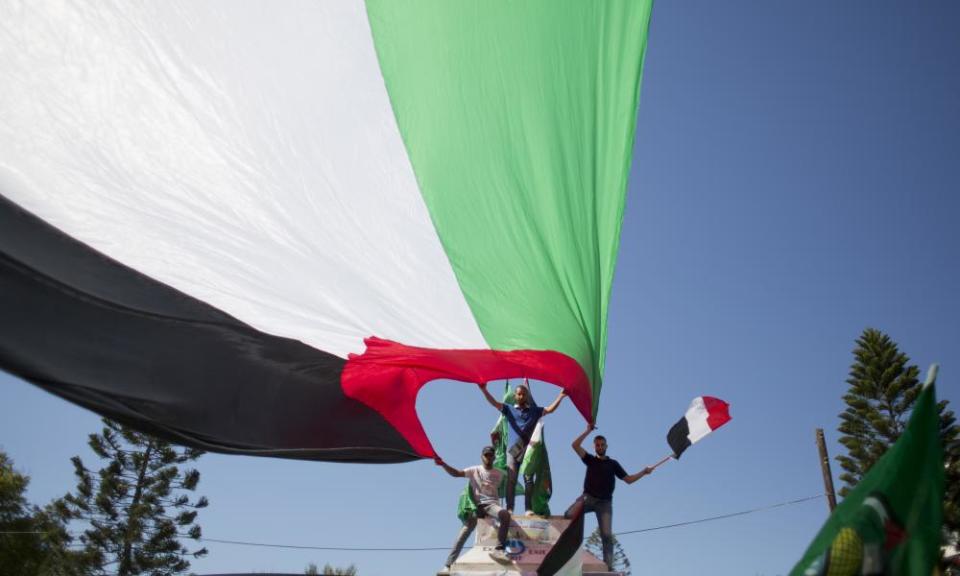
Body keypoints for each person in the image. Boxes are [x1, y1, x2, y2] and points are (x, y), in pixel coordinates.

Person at [566, 424, 654, 571]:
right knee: (568, 515)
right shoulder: (590, 459)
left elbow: (628, 480)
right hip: (588, 498)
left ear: (606, 446)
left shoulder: (613, 464)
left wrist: (644, 472)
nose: (600, 447)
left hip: (604, 503)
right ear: (594, 447)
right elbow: (574, 445)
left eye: (602, 445)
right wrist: (587, 431)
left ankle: (608, 567)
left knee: (606, 535)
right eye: (597, 445)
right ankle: (566, 550)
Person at [479, 379, 566, 514]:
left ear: (527, 396)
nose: (521, 396)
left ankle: (528, 509)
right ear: (515, 396)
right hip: (513, 451)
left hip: (528, 451)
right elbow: (494, 403)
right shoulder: (508, 409)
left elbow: (549, 409)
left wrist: (561, 396)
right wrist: (484, 390)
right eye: (518, 394)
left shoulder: (534, 411)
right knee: (511, 480)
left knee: (528, 480)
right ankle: (510, 508)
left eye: (523, 394)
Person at [436, 446, 512, 570]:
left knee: (505, 515)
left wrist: (510, 506)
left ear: (494, 457)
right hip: (477, 507)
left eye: (490, 455)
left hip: (491, 505)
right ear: (482, 457)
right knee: (463, 533)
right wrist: (443, 464)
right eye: (486, 455)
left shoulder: (500, 473)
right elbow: (456, 473)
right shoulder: (474, 470)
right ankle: (448, 565)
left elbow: (510, 485)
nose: (488, 458)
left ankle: (499, 549)